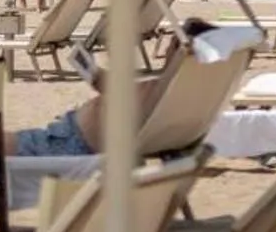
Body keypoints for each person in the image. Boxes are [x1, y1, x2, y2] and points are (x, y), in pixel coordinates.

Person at [15, 18, 212, 157]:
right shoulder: (192, 93)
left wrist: (96, 76)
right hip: (72, 138)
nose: (168, 47)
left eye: (173, 42)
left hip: (68, 143)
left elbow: (117, 92)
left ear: (183, 50)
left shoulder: (164, 90)